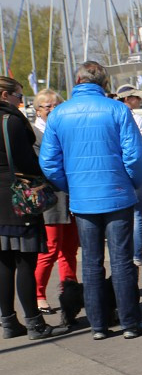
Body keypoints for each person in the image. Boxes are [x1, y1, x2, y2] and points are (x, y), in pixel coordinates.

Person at [39, 61, 142, 340]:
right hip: (117, 195)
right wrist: (131, 183)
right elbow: (135, 156)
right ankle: (129, 323)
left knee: (90, 262)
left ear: (77, 80)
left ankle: (98, 325)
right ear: (104, 83)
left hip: (83, 198)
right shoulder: (117, 110)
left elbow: (49, 163)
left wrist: (72, 186)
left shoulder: (59, 114)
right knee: (122, 262)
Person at [0, 76, 60, 339]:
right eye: (18, 96)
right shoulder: (10, 121)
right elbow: (26, 162)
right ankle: (34, 323)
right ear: (5, 94)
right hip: (17, 199)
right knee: (26, 262)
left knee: (3, 263)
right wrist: (48, 175)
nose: (21, 101)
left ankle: (8, 322)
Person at [31, 89, 80, 320]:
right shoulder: (34, 133)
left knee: (70, 249)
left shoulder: (65, 129)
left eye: (56, 105)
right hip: (50, 198)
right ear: (38, 110)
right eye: (47, 106)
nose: (52, 109)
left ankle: (69, 293)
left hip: (70, 195)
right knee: (49, 249)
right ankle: (38, 294)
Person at [115, 83, 142, 266]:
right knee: (137, 214)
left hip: (117, 171)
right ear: (127, 99)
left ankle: (123, 254)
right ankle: (137, 255)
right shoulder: (137, 119)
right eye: (136, 97)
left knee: (118, 215)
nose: (139, 100)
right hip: (134, 170)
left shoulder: (111, 116)